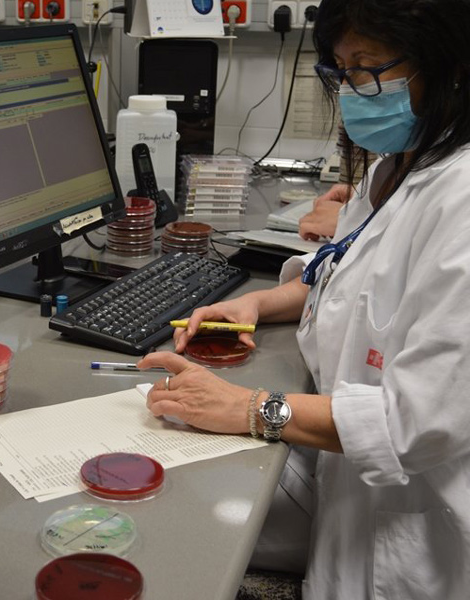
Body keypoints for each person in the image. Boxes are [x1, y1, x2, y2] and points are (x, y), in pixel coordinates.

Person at [138, 0, 470, 597]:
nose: (349, 91)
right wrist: (258, 305)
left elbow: (413, 423)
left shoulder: (462, 202)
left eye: (366, 68)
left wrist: (252, 408)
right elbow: (345, 272)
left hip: (419, 531)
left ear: (449, 67)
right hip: (345, 487)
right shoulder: (397, 166)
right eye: (339, 70)